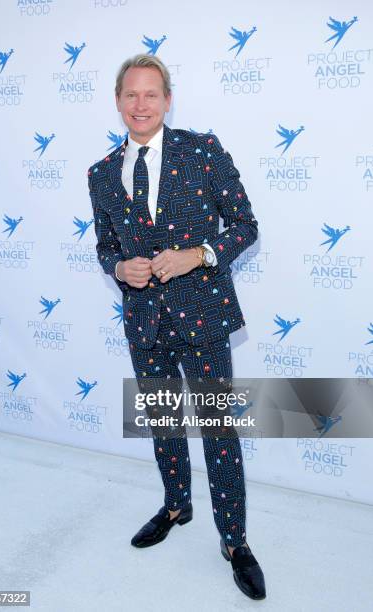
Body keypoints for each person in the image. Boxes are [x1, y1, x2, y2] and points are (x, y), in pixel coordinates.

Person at [88, 54, 266, 601]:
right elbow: (105, 247)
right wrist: (120, 268)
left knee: (217, 431)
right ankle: (175, 505)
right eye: (131, 95)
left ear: (167, 100)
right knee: (164, 423)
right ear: (118, 102)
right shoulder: (100, 174)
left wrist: (199, 254)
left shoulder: (202, 151)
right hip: (145, 323)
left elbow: (245, 225)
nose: (141, 105)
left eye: (151, 95)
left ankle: (234, 542)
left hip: (204, 317)